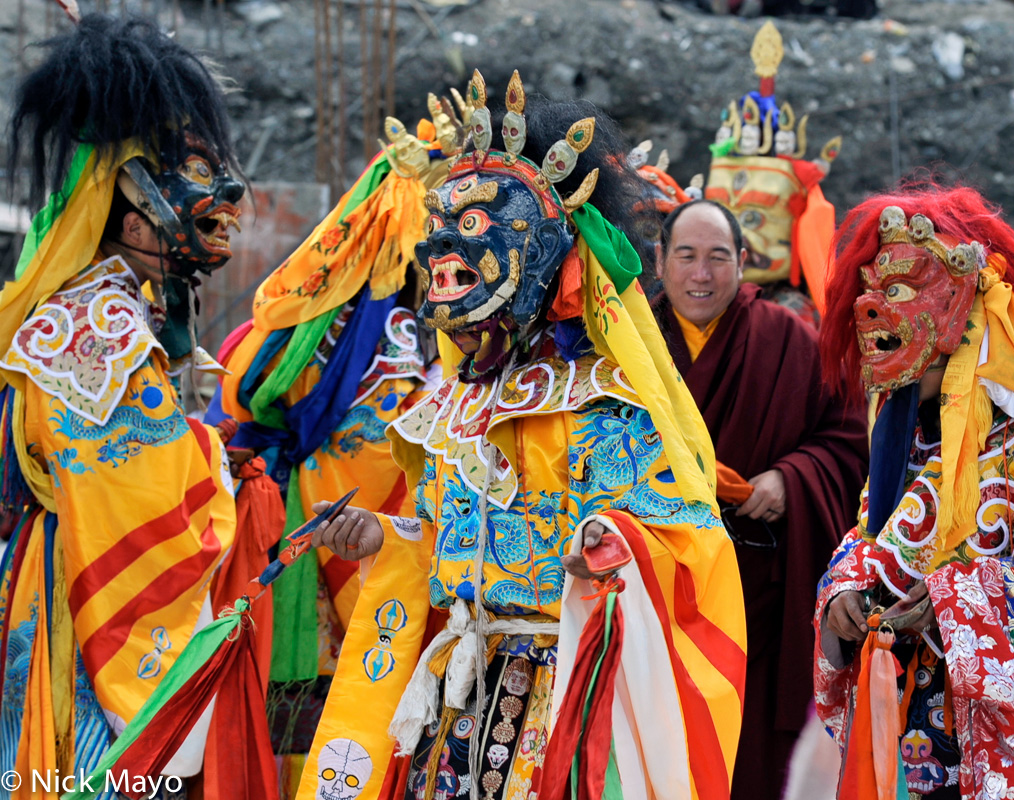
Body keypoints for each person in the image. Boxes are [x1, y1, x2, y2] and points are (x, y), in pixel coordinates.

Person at [295, 72, 746, 800]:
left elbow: (687, 546)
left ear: (542, 251)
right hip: (455, 698)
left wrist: (611, 546)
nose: (445, 243)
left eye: (475, 226)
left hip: (559, 696)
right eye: (442, 222)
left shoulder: (604, 399)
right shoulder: (456, 400)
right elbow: (445, 534)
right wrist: (385, 537)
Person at [814, 185, 1014, 799]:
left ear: (967, 322)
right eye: (875, 291)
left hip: (987, 751)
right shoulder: (905, 447)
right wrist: (843, 596)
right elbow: (868, 538)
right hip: (902, 728)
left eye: (905, 291)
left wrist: (956, 601)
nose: (879, 312)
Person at [0, 14, 245, 794]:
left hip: (51, 570)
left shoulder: (87, 309)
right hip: (89, 595)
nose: (223, 210)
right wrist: (212, 462)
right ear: (133, 215)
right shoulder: (98, 330)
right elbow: (136, 501)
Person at [202, 105, 454, 793]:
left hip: (291, 541)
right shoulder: (413, 350)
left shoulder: (286, 331)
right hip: (358, 551)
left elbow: (232, 411)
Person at [655, 199, 868, 800]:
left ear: (743, 263)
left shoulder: (788, 340)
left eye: (718, 257)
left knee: (746, 756)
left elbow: (849, 439)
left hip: (756, 591)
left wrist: (792, 477)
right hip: (655, 588)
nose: (702, 274)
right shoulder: (629, 345)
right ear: (660, 260)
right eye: (687, 256)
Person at [704, 21, 841, 327]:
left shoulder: (792, 318)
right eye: (724, 213)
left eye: (755, 216)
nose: (739, 236)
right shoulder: (694, 304)